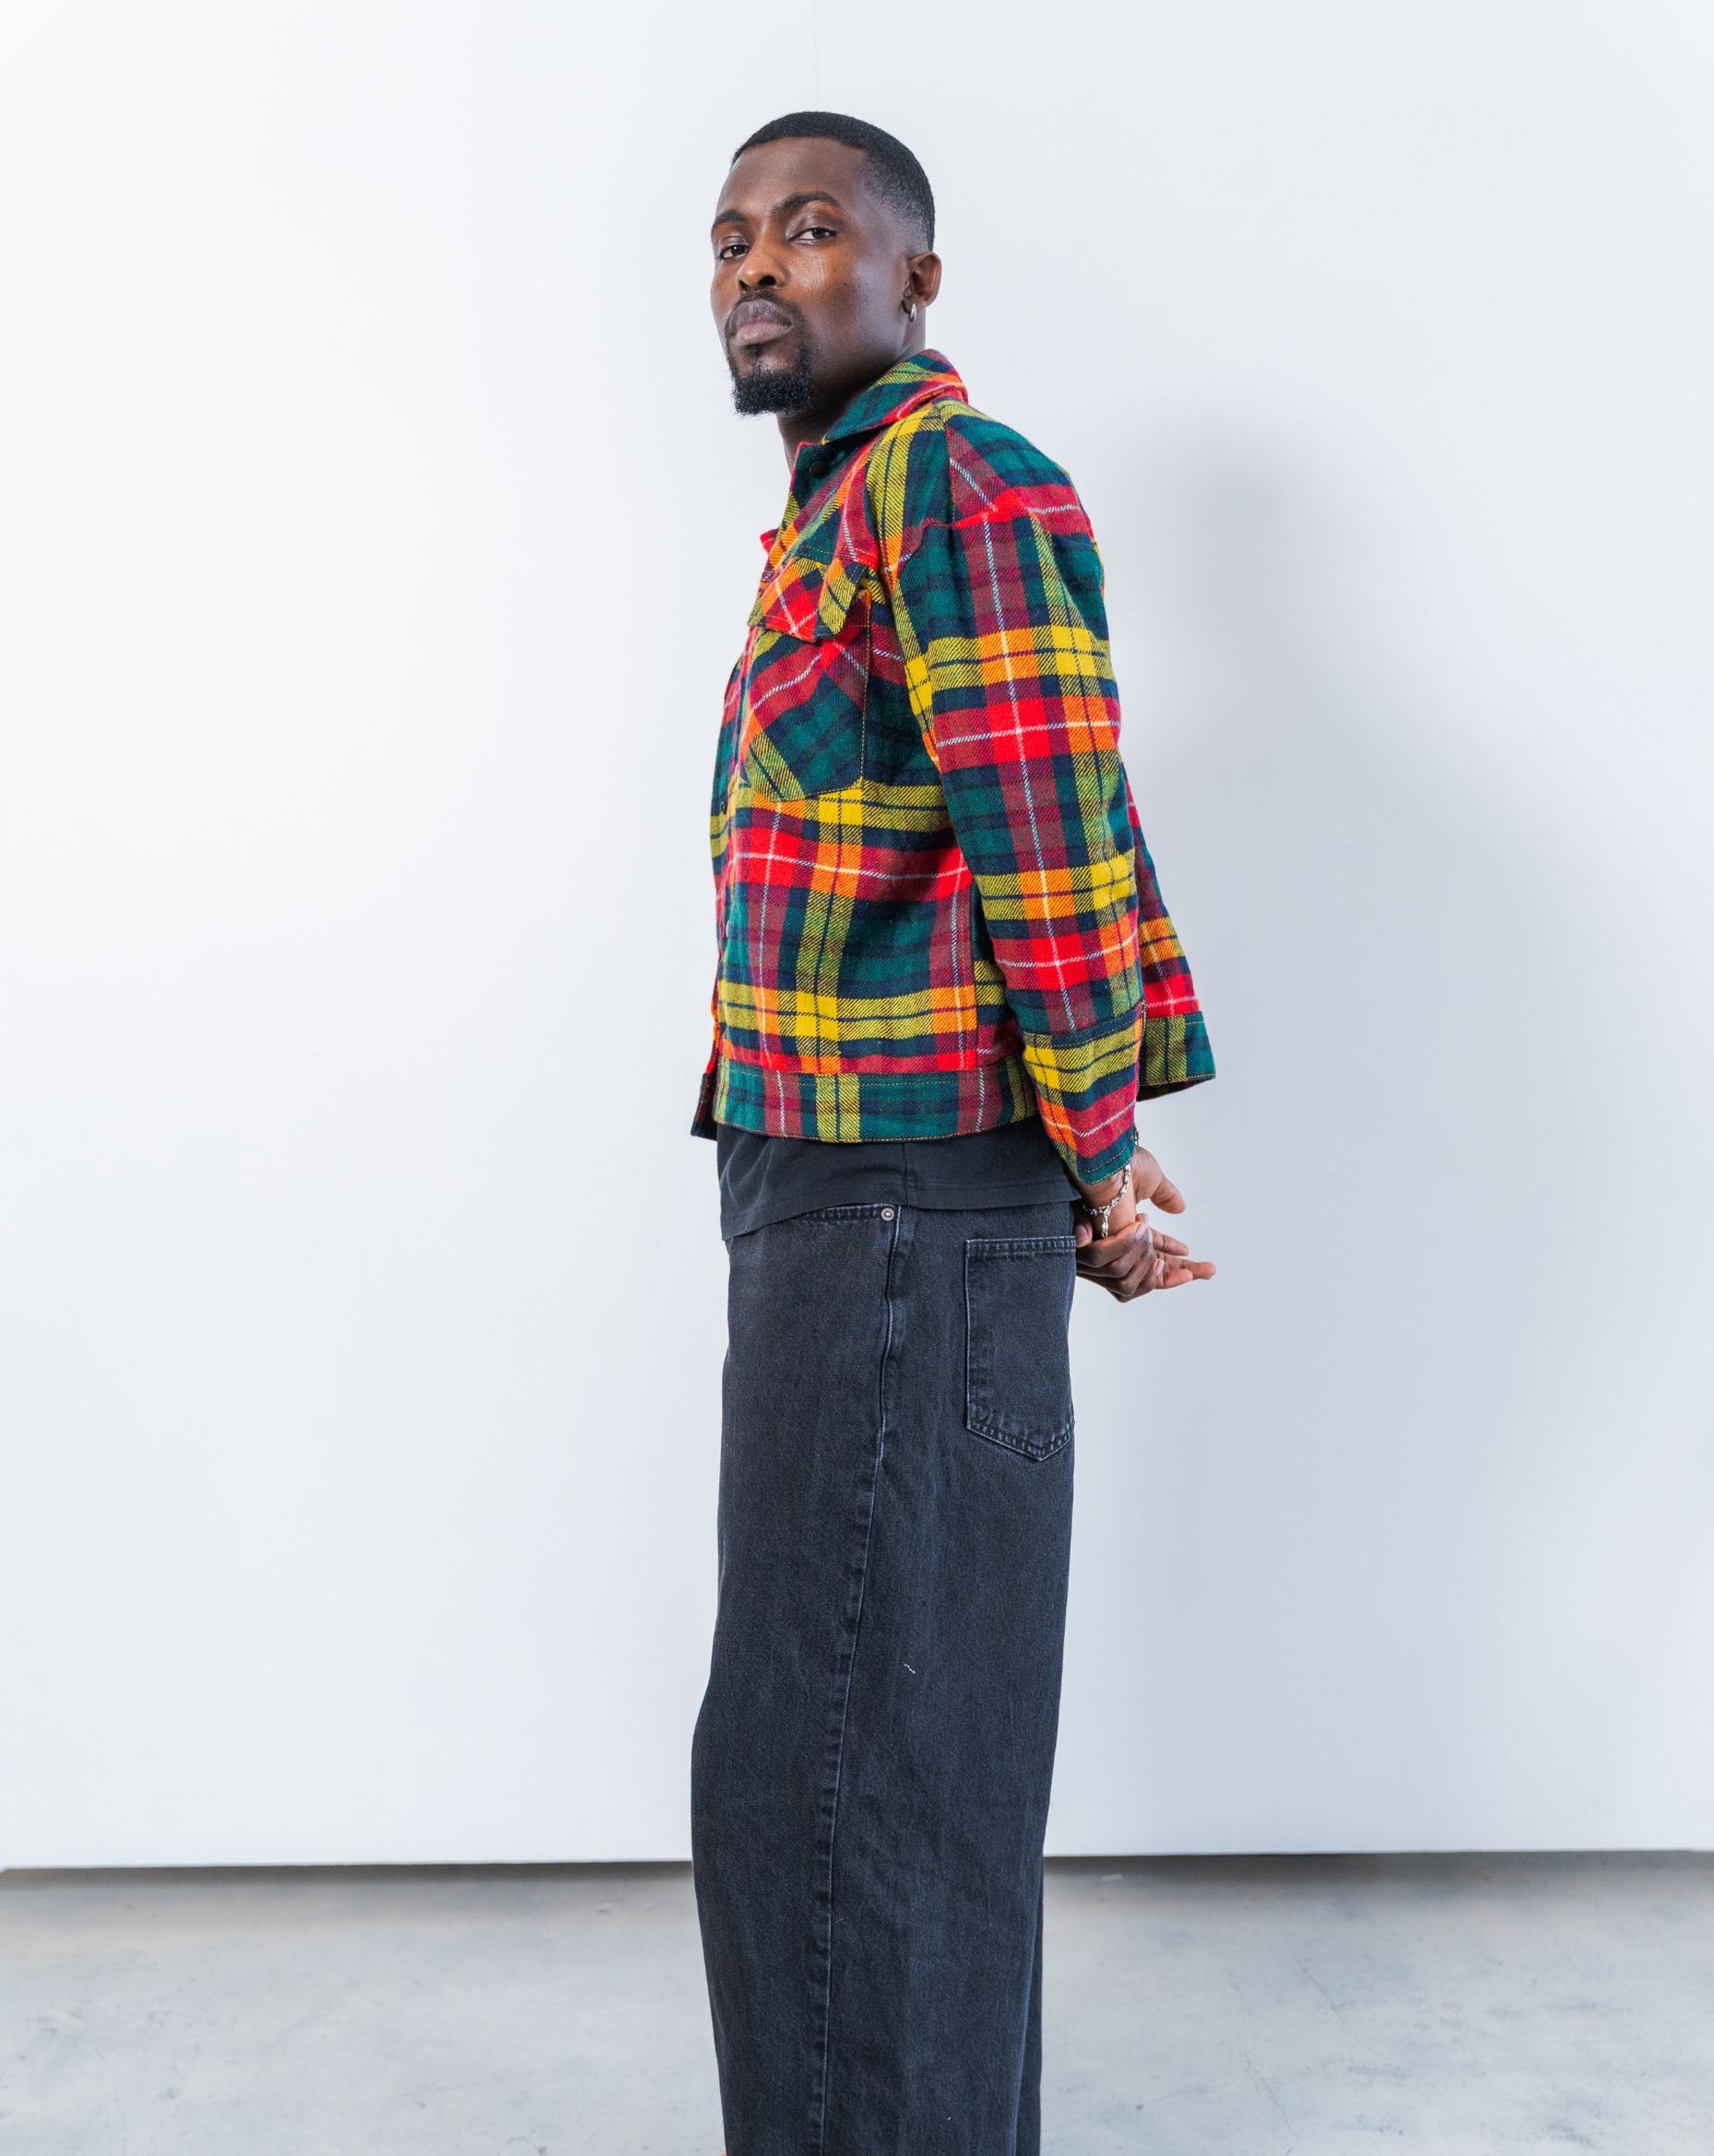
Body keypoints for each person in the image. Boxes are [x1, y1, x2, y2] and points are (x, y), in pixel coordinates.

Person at [688, 110, 1215, 2156]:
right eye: (729, 235)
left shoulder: (954, 480)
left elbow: (1051, 832)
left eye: (811, 228)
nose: (755, 264)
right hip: (846, 1184)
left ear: (915, 278)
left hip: (902, 1195)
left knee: (850, 1756)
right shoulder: (841, 514)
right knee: (868, 1740)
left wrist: (1095, 1142)